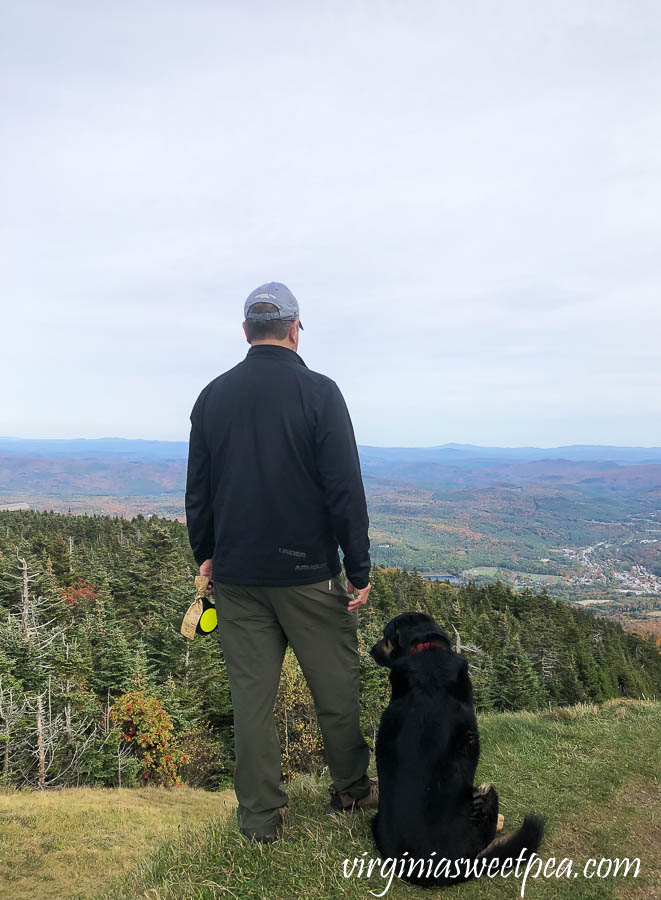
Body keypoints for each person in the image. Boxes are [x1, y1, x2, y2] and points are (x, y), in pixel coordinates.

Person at [185, 282, 377, 843]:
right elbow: (345, 489)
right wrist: (358, 568)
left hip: (238, 579)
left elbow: (199, 492)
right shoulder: (320, 393)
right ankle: (350, 788)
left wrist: (207, 556)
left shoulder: (212, 396)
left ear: (246, 331)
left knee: (252, 704)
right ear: (296, 328)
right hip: (309, 576)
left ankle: (261, 821)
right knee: (336, 689)